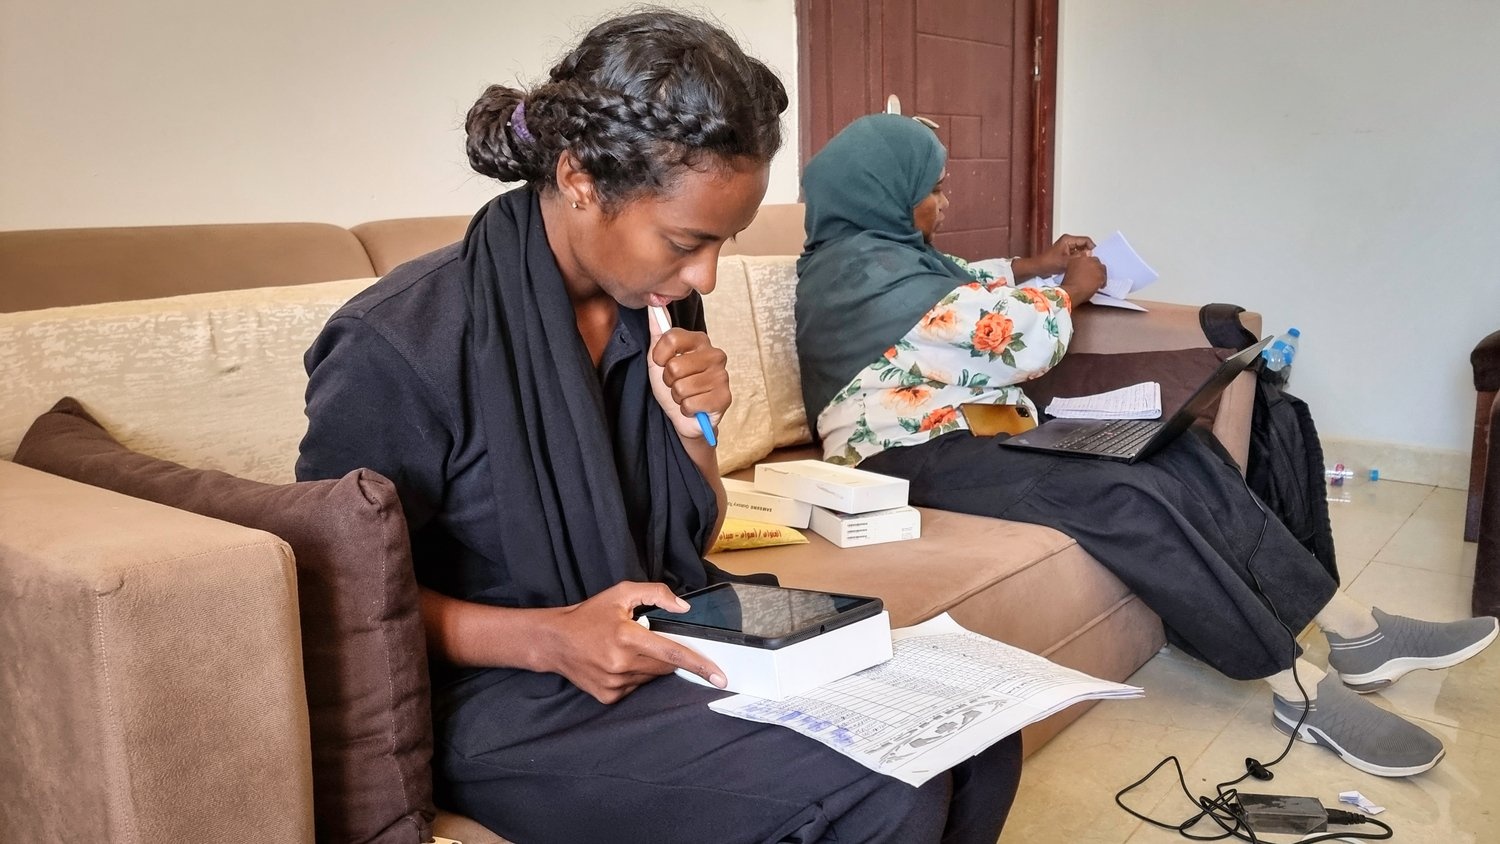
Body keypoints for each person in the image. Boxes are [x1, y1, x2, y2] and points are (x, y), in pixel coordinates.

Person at [296, 14, 1021, 844]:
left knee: (977, 735)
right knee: (883, 787)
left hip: (667, 621)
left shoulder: (654, 304)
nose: (704, 273)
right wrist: (551, 639)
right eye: (686, 240)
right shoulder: (400, 342)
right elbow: (333, 596)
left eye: (724, 242)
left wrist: (691, 433)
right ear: (578, 178)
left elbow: (693, 531)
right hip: (503, 694)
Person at [795, 113, 1498, 779]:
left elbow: (962, 282)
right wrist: (1070, 289)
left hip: (972, 435)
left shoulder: (882, 255)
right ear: (883, 194)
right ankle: (1297, 689)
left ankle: (1357, 634)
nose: (946, 202)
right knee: (1130, 495)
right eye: (934, 189)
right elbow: (1019, 340)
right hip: (906, 463)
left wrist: (1030, 264)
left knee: (1173, 449)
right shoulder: (862, 275)